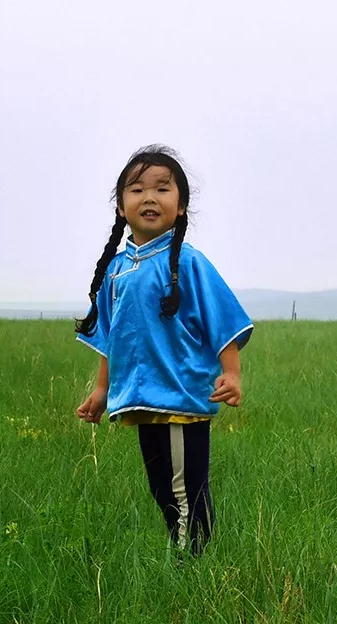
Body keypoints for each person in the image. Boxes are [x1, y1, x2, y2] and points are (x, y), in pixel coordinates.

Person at [74, 144, 253, 556]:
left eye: (162, 189)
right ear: (121, 207)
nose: (149, 197)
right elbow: (111, 339)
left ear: (182, 206)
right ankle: (186, 557)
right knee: (163, 489)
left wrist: (232, 373)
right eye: (136, 189)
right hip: (139, 398)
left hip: (180, 397)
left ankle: (193, 569)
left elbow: (222, 319)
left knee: (185, 490)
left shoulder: (189, 263)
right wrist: (102, 391)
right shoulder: (117, 270)